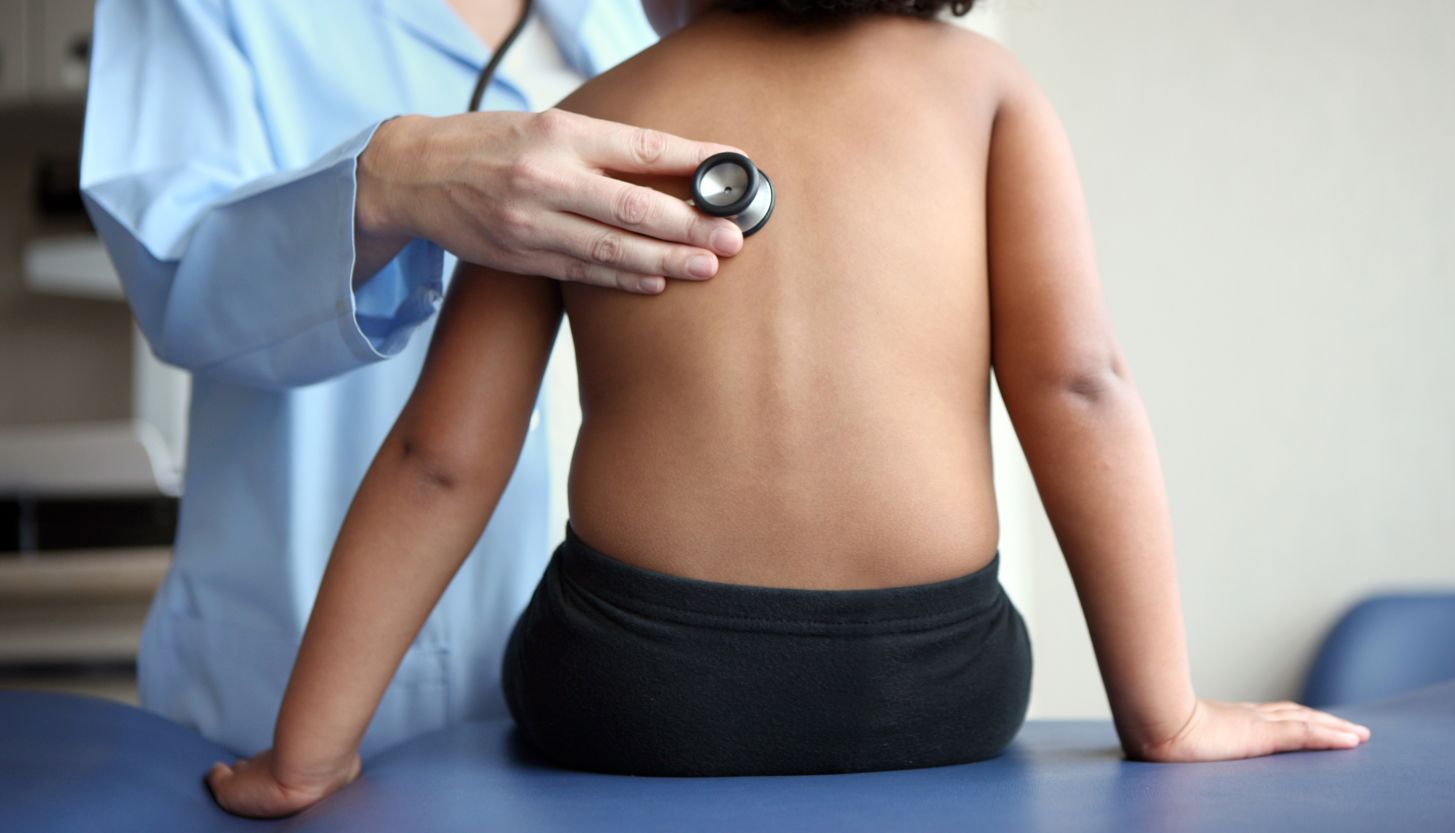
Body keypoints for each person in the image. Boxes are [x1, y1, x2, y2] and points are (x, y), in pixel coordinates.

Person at [207, 0, 1373, 817]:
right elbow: (1078, 388)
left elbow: (439, 459)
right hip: (945, 683)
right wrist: (1162, 717)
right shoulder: (984, 93)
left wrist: (306, 756)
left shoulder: (582, 127)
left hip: (632, 690)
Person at [79, 0, 747, 758]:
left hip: (618, 693)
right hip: (293, 663)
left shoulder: (650, 15)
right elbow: (174, 276)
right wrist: (389, 183)